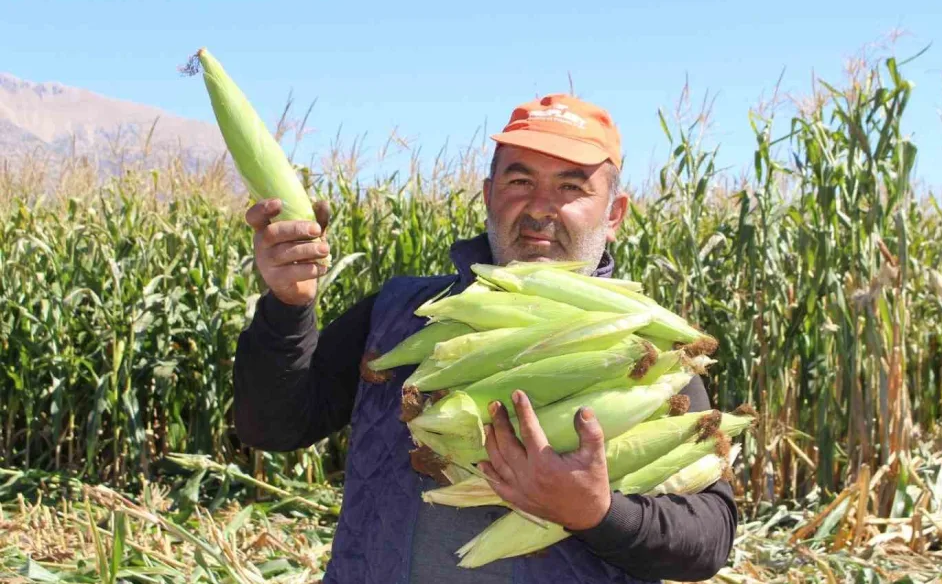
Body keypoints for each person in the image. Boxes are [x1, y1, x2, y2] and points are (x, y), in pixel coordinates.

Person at [233, 94, 738, 584]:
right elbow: (274, 427)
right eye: (520, 180)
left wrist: (597, 512)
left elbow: (709, 539)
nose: (540, 208)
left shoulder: (652, 350)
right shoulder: (399, 315)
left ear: (614, 216)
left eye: (570, 188)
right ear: (488, 194)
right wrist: (288, 306)